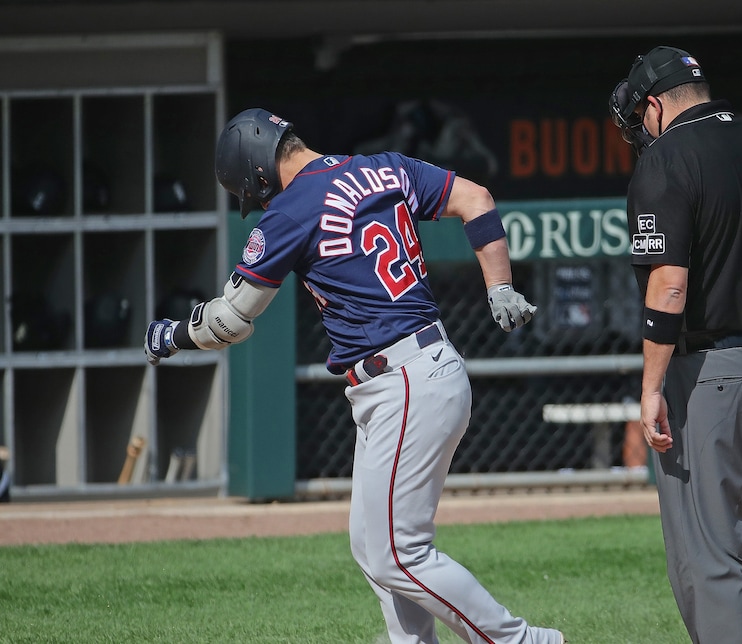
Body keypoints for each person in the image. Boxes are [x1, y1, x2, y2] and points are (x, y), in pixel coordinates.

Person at [144, 108, 564, 644]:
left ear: (257, 171)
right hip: (414, 371)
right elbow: (476, 197)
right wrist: (499, 286)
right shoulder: (382, 167)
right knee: (372, 545)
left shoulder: (293, 208)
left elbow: (231, 320)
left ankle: (524, 642)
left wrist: (173, 336)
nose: (260, 202)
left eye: (254, 192)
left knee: (397, 553)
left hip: (404, 378)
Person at [609, 47, 742, 642]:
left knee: (713, 563)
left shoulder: (666, 159)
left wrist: (649, 387)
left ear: (652, 105)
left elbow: (670, 284)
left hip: (709, 376)